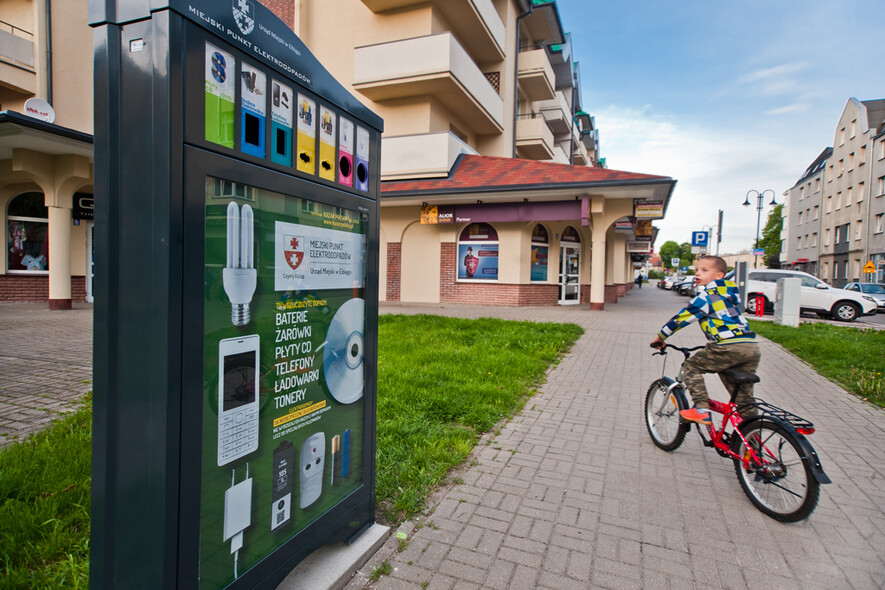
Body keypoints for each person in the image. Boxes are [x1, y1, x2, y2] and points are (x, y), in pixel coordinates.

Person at [650, 255, 760, 424]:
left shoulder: (708, 297)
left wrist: (660, 337)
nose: (698, 274)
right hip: (751, 347)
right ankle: (753, 440)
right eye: (697, 270)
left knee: (691, 366)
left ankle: (701, 409)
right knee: (743, 400)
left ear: (719, 276)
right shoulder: (730, 296)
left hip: (727, 346)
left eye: (704, 270)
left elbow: (681, 319)